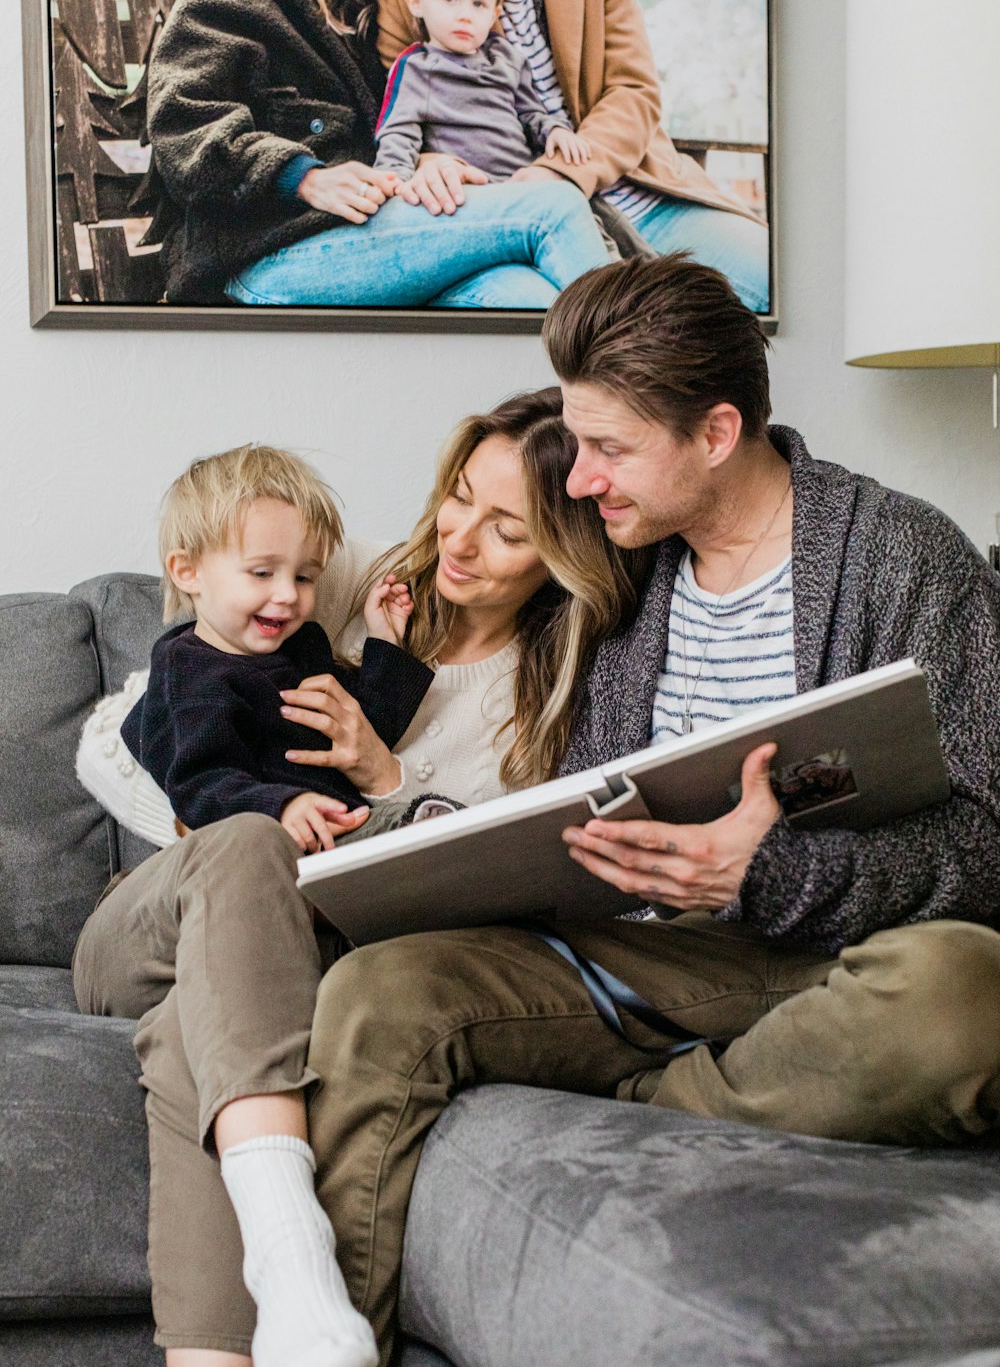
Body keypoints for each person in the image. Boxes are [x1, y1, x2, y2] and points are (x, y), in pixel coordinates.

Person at [302, 254, 1000, 1364]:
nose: (578, 480)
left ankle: (662, 1099)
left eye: (609, 449)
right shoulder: (623, 577)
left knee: (965, 994)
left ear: (716, 433)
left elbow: (986, 840)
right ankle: (326, 1345)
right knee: (382, 990)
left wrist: (765, 873)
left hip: (835, 959)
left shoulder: (905, 560)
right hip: (639, 955)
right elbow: (556, 783)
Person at [73, 387, 648, 1367]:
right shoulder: (351, 583)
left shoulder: (553, 695)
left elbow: (500, 881)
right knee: (251, 855)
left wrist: (387, 780)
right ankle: (296, 1261)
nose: (458, 536)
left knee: (204, 1025)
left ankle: (233, 1340)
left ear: (563, 554)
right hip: (157, 926)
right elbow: (107, 740)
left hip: (291, 962)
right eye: (460, 495)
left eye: (506, 528)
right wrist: (224, 814)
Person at [142, 0, 611, 310]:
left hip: (372, 229)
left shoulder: (371, 8)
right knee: (553, 207)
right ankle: (649, 385)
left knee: (528, 298)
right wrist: (303, 176)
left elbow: (397, 123)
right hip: (261, 250)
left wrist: (422, 160)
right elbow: (184, 120)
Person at [380, 0, 770, 311]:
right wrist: (427, 160)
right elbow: (400, 108)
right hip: (513, 210)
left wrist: (560, 174)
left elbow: (634, 91)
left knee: (774, 281)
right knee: (578, 324)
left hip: (638, 192)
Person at [119, 444, 434, 852]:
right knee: (406, 828)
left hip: (342, 837)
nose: (287, 594)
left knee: (411, 832)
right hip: (265, 850)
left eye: (304, 577)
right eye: (262, 572)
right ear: (188, 571)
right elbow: (200, 784)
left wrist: (385, 641)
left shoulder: (302, 647)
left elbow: (367, 733)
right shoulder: (190, 672)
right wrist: (280, 806)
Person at [373, 0, 592, 184]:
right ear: (416, 2)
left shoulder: (506, 58)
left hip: (523, 180)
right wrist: (393, 180)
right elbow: (398, 132)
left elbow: (531, 114)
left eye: (478, 4)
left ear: (493, 14)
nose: (465, 14)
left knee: (585, 210)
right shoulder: (417, 68)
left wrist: (554, 130)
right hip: (468, 189)